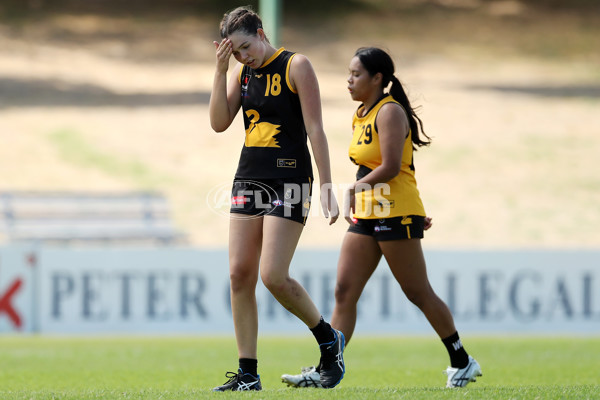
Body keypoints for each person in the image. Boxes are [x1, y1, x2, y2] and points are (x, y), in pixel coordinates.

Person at [281, 47, 482, 389]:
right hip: (369, 213)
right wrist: (360, 194)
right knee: (344, 291)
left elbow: (390, 167)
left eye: (356, 74)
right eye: (348, 73)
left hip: (395, 212)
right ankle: (328, 368)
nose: (349, 80)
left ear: (377, 79)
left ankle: (462, 361)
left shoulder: (389, 112)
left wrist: (353, 189)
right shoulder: (362, 112)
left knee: (417, 292)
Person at [208, 6, 345, 391]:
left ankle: (327, 338)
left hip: (290, 178)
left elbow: (316, 129)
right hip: (248, 178)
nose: (243, 56)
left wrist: (328, 187)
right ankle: (248, 374)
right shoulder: (241, 73)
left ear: (261, 32)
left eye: (246, 47)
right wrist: (220, 73)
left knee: (272, 275)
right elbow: (219, 123)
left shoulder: (296, 65)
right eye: (234, 52)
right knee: (239, 274)